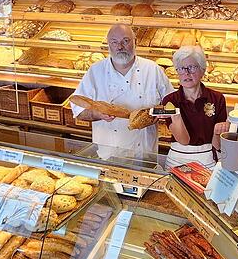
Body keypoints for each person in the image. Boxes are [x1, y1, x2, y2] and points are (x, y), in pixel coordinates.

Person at [72, 24, 173, 158]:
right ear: (108, 44)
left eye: (125, 41)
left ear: (135, 42)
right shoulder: (96, 71)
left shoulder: (152, 70)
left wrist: (158, 115)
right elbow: (78, 109)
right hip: (108, 154)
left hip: (144, 154)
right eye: (114, 42)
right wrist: (98, 114)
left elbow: (171, 104)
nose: (120, 47)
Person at [162, 45, 229, 169]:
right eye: (181, 68)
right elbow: (183, 140)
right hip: (177, 160)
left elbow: (218, 145)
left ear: (202, 70)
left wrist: (217, 131)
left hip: (208, 160)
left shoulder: (217, 98)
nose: (186, 73)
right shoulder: (170, 101)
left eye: (191, 67)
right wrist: (176, 116)